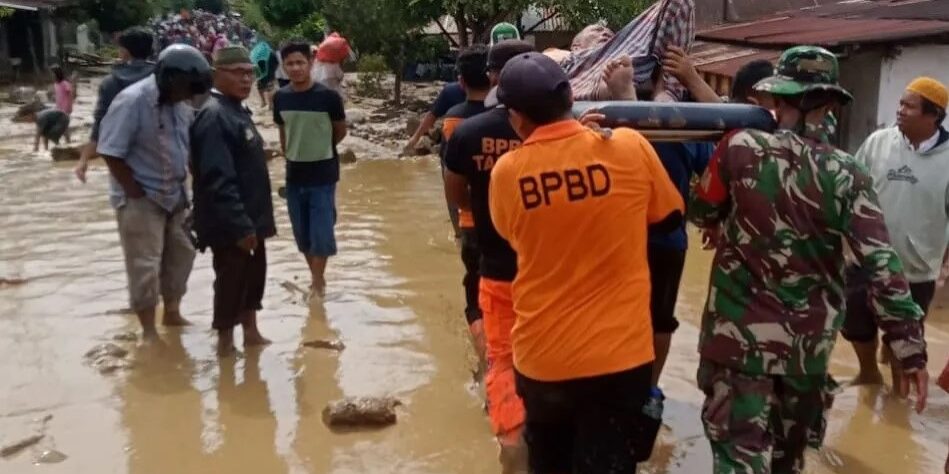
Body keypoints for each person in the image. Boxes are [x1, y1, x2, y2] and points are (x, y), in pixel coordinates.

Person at [689, 46, 929, 473]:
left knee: (737, 456)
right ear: (832, 104)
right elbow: (881, 266)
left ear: (777, 100)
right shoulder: (847, 173)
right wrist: (909, 348)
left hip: (737, 345)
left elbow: (702, 211)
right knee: (789, 460)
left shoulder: (738, 149)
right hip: (807, 353)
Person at [489, 52, 684, 473]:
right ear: (570, 97)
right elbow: (669, 216)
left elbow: (511, 235)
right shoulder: (627, 145)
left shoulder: (507, 172)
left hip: (543, 360)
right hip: (620, 359)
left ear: (517, 118)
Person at [443, 39, 534, 473]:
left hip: (488, 247)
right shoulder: (559, 132)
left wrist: (474, 217)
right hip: (548, 259)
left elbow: (455, 192)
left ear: (493, 74)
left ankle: (508, 432)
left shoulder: (468, 130)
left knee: (498, 344)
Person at [96, 44, 211, 342]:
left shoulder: (182, 103)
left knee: (182, 255)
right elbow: (109, 150)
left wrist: (196, 183)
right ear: (170, 79)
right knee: (144, 264)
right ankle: (148, 330)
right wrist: (133, 190)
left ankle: (172, 312)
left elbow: (185, 147)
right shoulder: (132, 101)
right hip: (141, 196)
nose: (188, 97)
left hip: (175, 192)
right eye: (186, 90)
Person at [843, 76, 949, 386]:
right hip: (865, 260)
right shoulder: (878, 142)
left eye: (908, 106)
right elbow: (851, 187)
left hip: (916, 270)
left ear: (933, 115)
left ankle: (897, 392)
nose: (899, 110)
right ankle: (868, 373)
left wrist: (944, 268)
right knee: (855, 324)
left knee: (904, 339)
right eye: (900, 103)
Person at [190, 46, 276, 356]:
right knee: (230, 281)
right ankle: (224, 344)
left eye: (250, 72)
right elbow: (217, 178)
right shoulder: (214, 115)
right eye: (237, 73)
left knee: (253, 279)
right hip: (231, 223)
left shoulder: (237, 110)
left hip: (252, 217)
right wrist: (240, 226)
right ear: (216, 75)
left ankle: (251, 333)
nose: (246, 79)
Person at [273, 40, 347, 303]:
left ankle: (317, 282)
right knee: (302, 235)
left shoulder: (328, 97)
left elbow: (340, 129)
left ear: (311, 63)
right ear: (284, 66)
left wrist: (321, 147)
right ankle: (317, 277)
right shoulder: (280, 97)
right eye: (290, 64)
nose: (295, 68)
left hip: (324, 173)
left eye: (300, 62)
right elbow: (283, 130)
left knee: (322, 233)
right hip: (294, 174)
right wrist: (289, 152)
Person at [440, 45, 492, 364]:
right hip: (514, 222)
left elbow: (452, 180)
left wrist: (464, 212)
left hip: (473, 221)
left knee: (476, 292)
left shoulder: (454, 121)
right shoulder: (514, 117)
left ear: (461, 81)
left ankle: (486, 356)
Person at [75, 27, 155, 183]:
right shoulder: (162, 77)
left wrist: (83, 160)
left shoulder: (110, 84)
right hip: (162, 167)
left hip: (125, 168)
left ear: (124, 51)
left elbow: (100, 126)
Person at [404, 82, 465, 153]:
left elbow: (432, 116)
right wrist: (415, 138)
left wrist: (415, 139)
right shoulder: (451, 91)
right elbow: (432, 115)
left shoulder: (451, 91)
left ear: (461, 79)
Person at [251, 39, 278, 109]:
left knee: (260, 89)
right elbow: (277, 63)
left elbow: (255, 64)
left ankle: (263, 102)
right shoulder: (272, 52)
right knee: (270, 89)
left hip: (261, 74)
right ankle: (270, 104)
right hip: (271, 74)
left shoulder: (258, 53)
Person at [51, 65, 74, 144]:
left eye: (53, 73)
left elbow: (70, 94)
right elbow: (58, 95)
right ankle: (66, 142)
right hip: (58, 108)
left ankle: (67, 143)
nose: (52, 75)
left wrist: (70, 106)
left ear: (57, 74)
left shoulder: (65, 83)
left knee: (64, 127)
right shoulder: (56, 84)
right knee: (62, 127)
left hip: (65, 108)